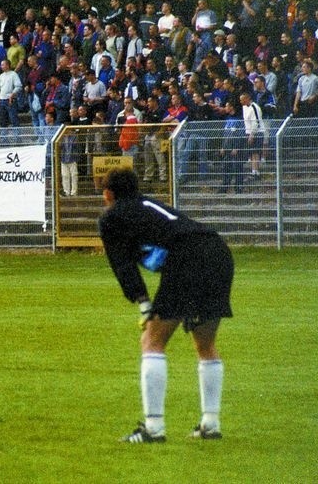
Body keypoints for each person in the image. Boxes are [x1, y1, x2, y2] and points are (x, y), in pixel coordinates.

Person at [99, 167, 233, 443]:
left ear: (108, 194)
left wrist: (143, 302)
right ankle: (211, 423)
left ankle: (154, 428)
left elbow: (122, 266)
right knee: (205, 343)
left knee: (152, 340)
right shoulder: (147, 204)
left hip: (189, 257)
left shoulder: (111, 217)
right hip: (217, 250)